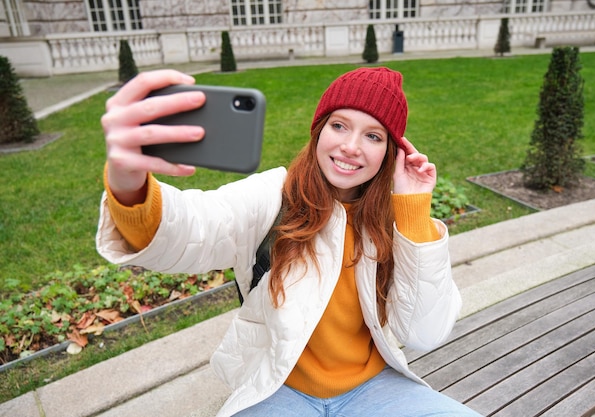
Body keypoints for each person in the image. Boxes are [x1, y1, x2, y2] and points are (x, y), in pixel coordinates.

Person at [96, 66, 482, 417]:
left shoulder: (398, 221)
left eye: (373, 135)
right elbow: (193, 228)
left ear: (390, 152)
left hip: (375, 390)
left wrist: (414, 210)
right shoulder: (275, 196)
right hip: (279, 390)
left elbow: (425, 333)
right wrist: (128, 183)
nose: (351, 146)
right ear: (319, 130)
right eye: (340, 125)